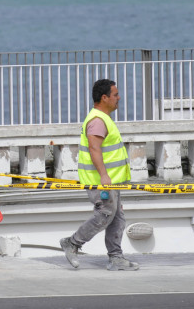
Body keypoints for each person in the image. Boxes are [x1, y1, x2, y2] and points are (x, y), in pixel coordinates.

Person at [60, 79, 139, 271]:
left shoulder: (103, 118)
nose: (119, 98)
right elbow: (94, 149)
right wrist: (104, 176)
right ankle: (73, 242)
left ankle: (116, 258)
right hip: (101, 182)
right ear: (104, 98)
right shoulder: (97, 121)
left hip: (112, 182)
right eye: (115, 95)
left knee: (117, 218)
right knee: (104, 215)